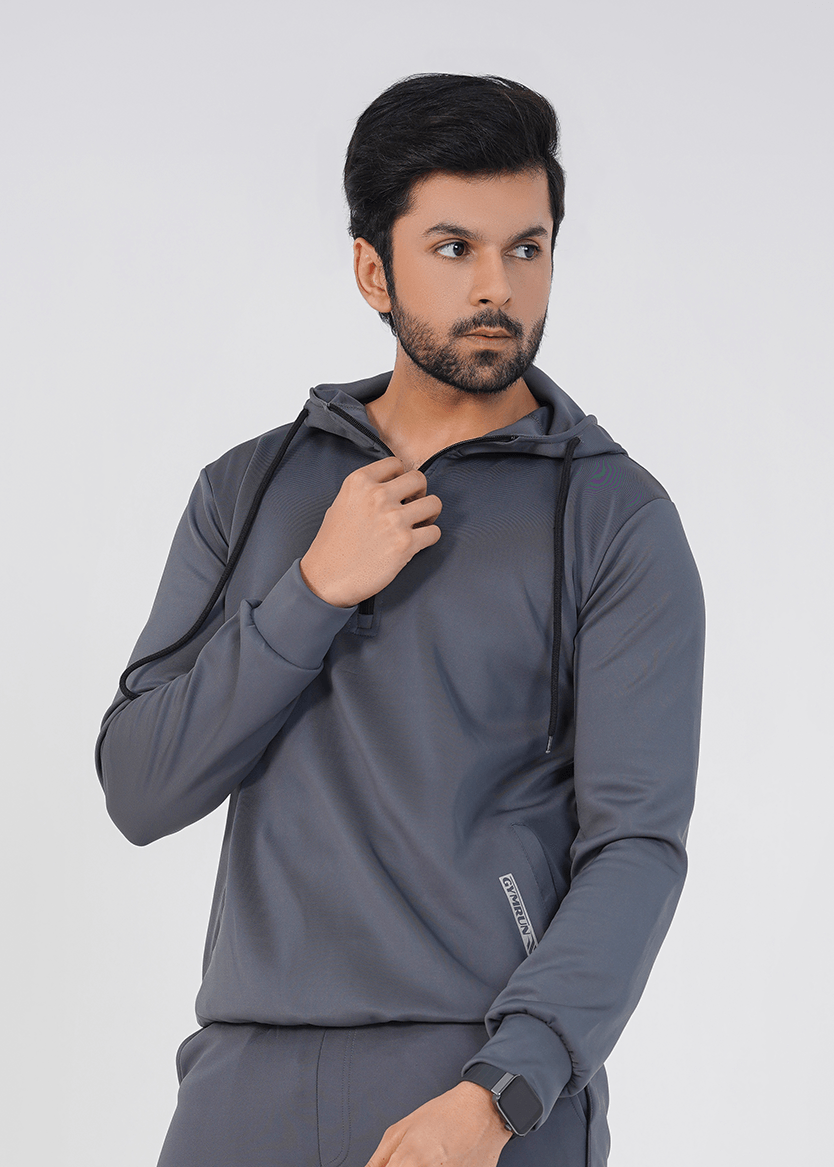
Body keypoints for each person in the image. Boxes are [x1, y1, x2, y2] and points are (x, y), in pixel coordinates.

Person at [95, 73, 705, 1167]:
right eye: (454, 247)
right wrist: (313, 591)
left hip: (476, 1093)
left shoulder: (614, 518)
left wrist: (504, 1092)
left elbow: (636, 846)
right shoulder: (248, 491)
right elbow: (140, 788)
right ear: (373, 269)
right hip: (240, 1088)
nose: (498, 287)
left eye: (527, 248)